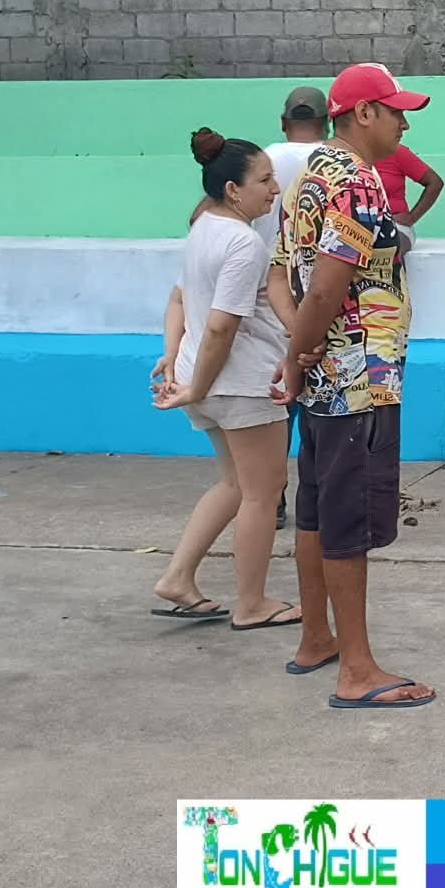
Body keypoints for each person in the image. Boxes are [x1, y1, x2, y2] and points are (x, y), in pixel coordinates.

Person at [270, 62, 435, 709]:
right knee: (348, 519)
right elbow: (328, 286)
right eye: (396, 111)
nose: (404, 124)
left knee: (315, 507)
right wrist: (297, 356)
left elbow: (279, 278)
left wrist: (299, 352)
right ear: (363, 113)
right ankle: (357, 670)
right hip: (359, 379)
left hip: (324, 380)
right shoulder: (358, 182)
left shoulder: (308, 176)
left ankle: (317, 638)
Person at [147, 129, 298, 630]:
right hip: (238, 383)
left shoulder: (203, 228)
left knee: (236, 484)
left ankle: (178, 577)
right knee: (264, 492)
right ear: (233, 190)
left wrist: (175, 360)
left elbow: (179, 299)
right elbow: (220, 326)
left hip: (206, 380)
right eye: (264, 180)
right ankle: (252, 604)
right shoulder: (243, 242)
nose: (274, 189)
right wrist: (197, 384)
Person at [264, 87, 330, 529]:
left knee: (276, 408)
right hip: (320, 295)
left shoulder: (263, 160)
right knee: (321, 408)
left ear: (283, 122)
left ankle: (272, 499)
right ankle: (318, 499)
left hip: (268, 297)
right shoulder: (334, 162)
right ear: (326, 123)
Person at [373, 139, 445, 253]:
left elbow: (435, 182)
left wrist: (412, 217)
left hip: (396, 225)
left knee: (389, 249)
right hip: (355, 225)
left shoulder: (396, 151)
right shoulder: (346, 154)